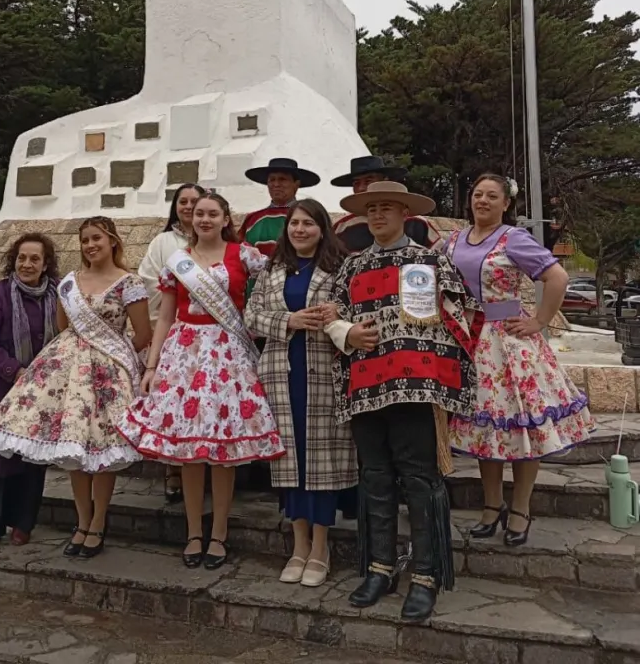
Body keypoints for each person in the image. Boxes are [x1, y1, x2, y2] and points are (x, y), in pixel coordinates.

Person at [325, 181, 480, 622]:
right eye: (371, 209)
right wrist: (347, 333)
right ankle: (379, 568)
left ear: (404, 214)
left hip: (417, 387)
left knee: (418, 478)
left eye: (386, 209)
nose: (377, 216)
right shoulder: (353, 267)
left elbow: (459, 314)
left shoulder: (430, 260)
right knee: (374, 477)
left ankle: (427, 574)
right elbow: (332, 315)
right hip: (367, 384)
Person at [117, 191, 285, 571]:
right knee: (189, 454)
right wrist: (152, 366)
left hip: (229, 356)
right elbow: (165, 317)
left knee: (222, 456)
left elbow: (278, 283)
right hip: (185, 356)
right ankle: (194, 532)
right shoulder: (178, 261)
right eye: (199, 214)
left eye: (213, 213)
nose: (205, 219)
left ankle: (219, 533)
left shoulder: (244, 256)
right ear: (191, 219)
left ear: (226, 218)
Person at [0, 217, 152, 560]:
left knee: (102, 452)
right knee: (73, 450)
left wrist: (114, 360)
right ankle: (81, 522)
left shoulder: (130, 283)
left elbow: (142, 334)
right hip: (69, 373)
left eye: (96, 238)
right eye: (84, 239)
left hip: (108, 374)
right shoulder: (68, 283)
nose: (90, 245)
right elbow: (63, 327)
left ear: (112, 241)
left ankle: (98, 523)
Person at [445, 173, 593, 546]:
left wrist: (540, 320)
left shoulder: (514, 239)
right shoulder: (451, 241)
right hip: (468, 342)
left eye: (491, 196)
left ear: (506, 204)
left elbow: (556, 277)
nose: (482, 201)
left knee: (522, 425)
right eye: (477, 194)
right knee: (486, 428)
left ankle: (521, 507)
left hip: (508, 344)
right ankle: (492, 505)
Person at [245, 199, 357, 588]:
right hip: (282, 371)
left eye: (308, 223)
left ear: (323, 228)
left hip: (324, 371)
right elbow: (251, 315)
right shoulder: (273, 269)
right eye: (294, 223)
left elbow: (354, 312)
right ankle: (298, 544)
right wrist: (288, 320)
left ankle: (320, 547)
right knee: (290, 459)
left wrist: (334, 315)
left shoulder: (340, 267)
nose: (300, 230)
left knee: (320, 458)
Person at [0, 233, 60, 549]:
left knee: (31, 457)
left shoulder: (58, 295)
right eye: (22, 258)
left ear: (46, 264)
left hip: (41, 390)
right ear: (14, 260)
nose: (27, 264)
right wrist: (13, 369)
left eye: (35, 258)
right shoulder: (0, 294)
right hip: (2, 389)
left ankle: (23, 524)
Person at [138, 183, 205, 502]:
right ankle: (173, 469)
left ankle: (202, 463)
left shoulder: (217, 240)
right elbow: (150, 281)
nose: (189, 207)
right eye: (183, 201)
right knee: (174, 404)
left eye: (196, 201)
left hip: (208, 339)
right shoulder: (163, 242)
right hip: (174, 335)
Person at [331, 156, 443, 253]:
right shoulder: (342, 228)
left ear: (385, 180)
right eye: (356, 183)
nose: (361, 188)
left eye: (368, 181)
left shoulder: (417, 224)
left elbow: (439, 256)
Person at [239, 157, 320, 259]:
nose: (276, 184)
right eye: (272, 180)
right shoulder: (252, 220)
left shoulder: (310, 216)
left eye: (282, 179)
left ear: (296, 184)